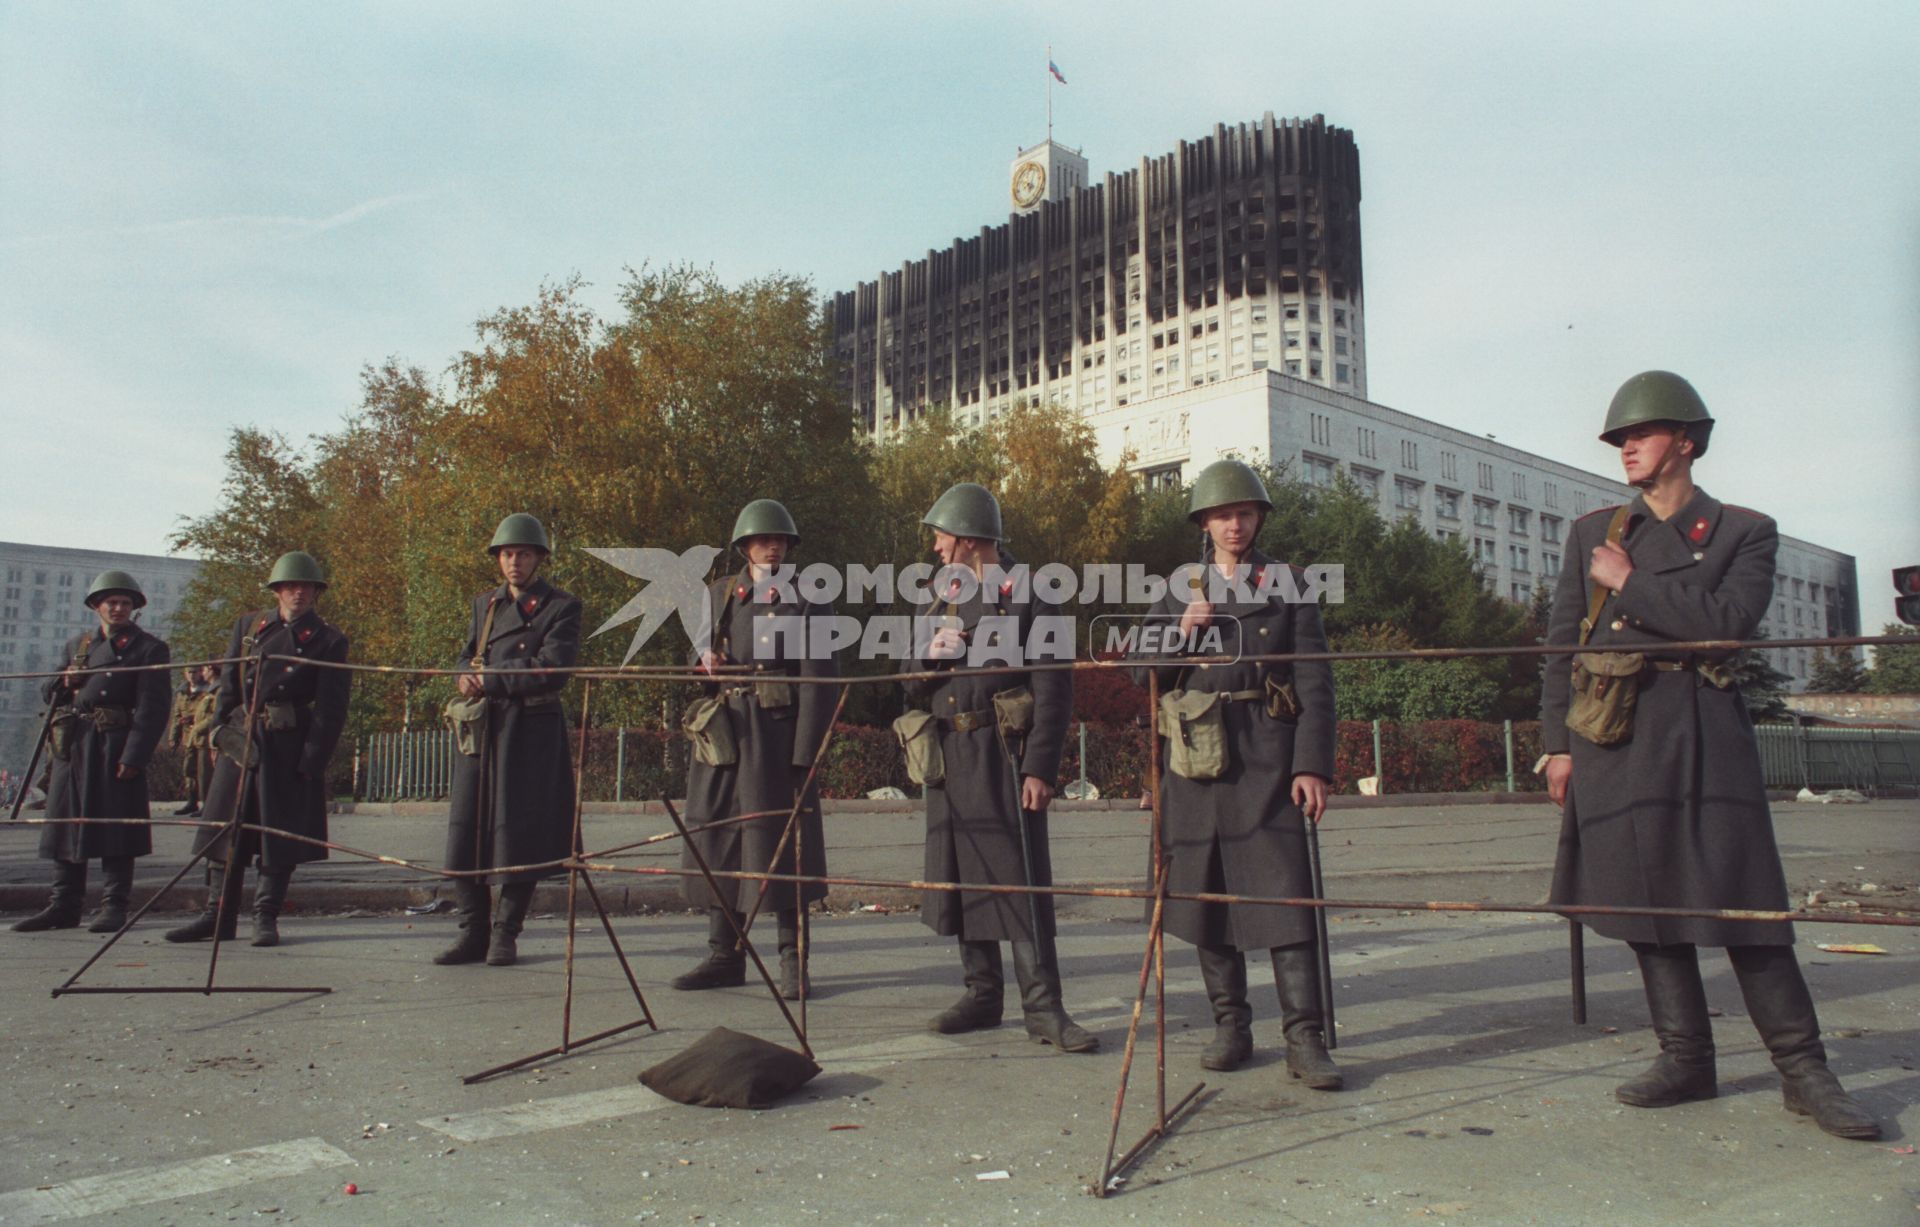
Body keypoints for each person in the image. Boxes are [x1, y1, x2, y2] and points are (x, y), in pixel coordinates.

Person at [1541, 370, 1878, 1140]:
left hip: (1704, 736)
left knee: (1746, 907)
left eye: (1640, 434)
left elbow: (1728, 625)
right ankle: (1687, 1057)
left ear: (1685, 441)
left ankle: (1805, 1072)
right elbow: (1562, 644)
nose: (1626, 447)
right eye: (1620, 438)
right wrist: (1555, 745)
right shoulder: (1594, 529)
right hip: (1614, 740)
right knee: (1645, 905)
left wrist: (1629, 585)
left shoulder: (1740, 530)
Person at [1131, 459, 1341, 1088]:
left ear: (1258, 519)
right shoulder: (1179, 587)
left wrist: (1312, 766)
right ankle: (1232, 1026)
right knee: (1203, 890)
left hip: (1266, 754)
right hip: (1193, 758)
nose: (1233, 524)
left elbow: (1316, 681)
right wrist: (1179, 631)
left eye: (1244, 513)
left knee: (1284, 894)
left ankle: (1305, 1038)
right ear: (1204, 521)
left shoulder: (1292, 584)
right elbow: (1137, 675)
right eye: (1222, 514)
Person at [901, 483, 1097, 1053]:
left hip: (1004, 756)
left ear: (965, 538)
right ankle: (982, 994)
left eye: (941, 537)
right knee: (963, 876)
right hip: (949, 755)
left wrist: (1040, 768)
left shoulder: (1033, 593)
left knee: (1021, 879)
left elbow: (1054, 687)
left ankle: (1044, 1007)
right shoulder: (936, 595)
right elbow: (906, 682)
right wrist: (925, 657)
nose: (936, 548)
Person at [671, 500, 837, 1000]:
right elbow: (693, 666)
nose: (773, 546)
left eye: (780, 540)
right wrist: (705, 663)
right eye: (763, 540)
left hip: (776, 738)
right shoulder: (720, 594)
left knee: (783, 844)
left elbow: (819, 682)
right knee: (718, 839)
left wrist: (805, 756)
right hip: (724, 739)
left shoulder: (808, 597)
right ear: (744, 546)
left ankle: (793, 960)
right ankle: (725, 954)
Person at [166, 552, 350, 948]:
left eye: (305, 587)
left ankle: (265, 916)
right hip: (241, 739)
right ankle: (216, 915)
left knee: (276, 837)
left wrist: (312, 760)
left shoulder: (329, 639)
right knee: (224, 830)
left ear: (316, 593)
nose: (297, 593)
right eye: (289, 586)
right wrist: (218, 734)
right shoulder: (250, 626)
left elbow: (331, 709)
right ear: (277, 590)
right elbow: (229, 688)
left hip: (288, 744)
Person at [435, 513, 582, 968]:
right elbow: (467, 655)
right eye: (506, 554)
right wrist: (464, 676)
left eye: (522, 553)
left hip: (529, 733)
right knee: (467, 830)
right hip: (483, 732)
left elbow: (555, 666)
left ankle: (505, 934)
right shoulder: (487, 605)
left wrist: (491, 678)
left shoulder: (561, 606)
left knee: (520, 836)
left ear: (539, 558)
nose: (514, 561)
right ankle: (472, 932)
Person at [13, 572, 171, 934]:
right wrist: (63, 681)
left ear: (134, 609)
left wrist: (134, 755)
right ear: (96, 606)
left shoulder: (148, 649)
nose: (117, 609)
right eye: (110, 602)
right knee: (66, 826)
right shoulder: (78, 645)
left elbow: (153, 709)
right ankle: (63, 906)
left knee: (116, 826)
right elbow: (48, 691)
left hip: (114, 743)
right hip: (74, 745)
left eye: (125, 603)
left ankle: (114, 906)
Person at [169, 667, 204, 817]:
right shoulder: (182, 692)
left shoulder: (207, 690)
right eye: (189, 672)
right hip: (188, 737)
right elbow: (177, 716)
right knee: (189, 770)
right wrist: (173, 737)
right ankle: (192, 801)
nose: (192, 675)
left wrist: (193, 718)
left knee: (204, 771)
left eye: (195, 672)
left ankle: (207, 803)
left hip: (203, 736)